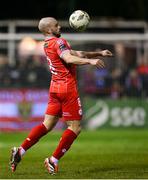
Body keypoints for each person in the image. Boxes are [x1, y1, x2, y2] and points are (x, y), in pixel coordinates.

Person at [10, 17, 113, 175]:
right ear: (49, 29)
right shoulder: (59, 42)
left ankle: (20, 151)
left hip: (55, 88)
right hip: (67, 88)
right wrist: (90, 62)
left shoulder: (48, 44)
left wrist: (98, 53)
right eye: (56, 25)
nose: (60, 26)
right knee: (75, 128)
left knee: (47, 125)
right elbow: (69, 57)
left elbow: (75, 53)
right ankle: (53, 160)